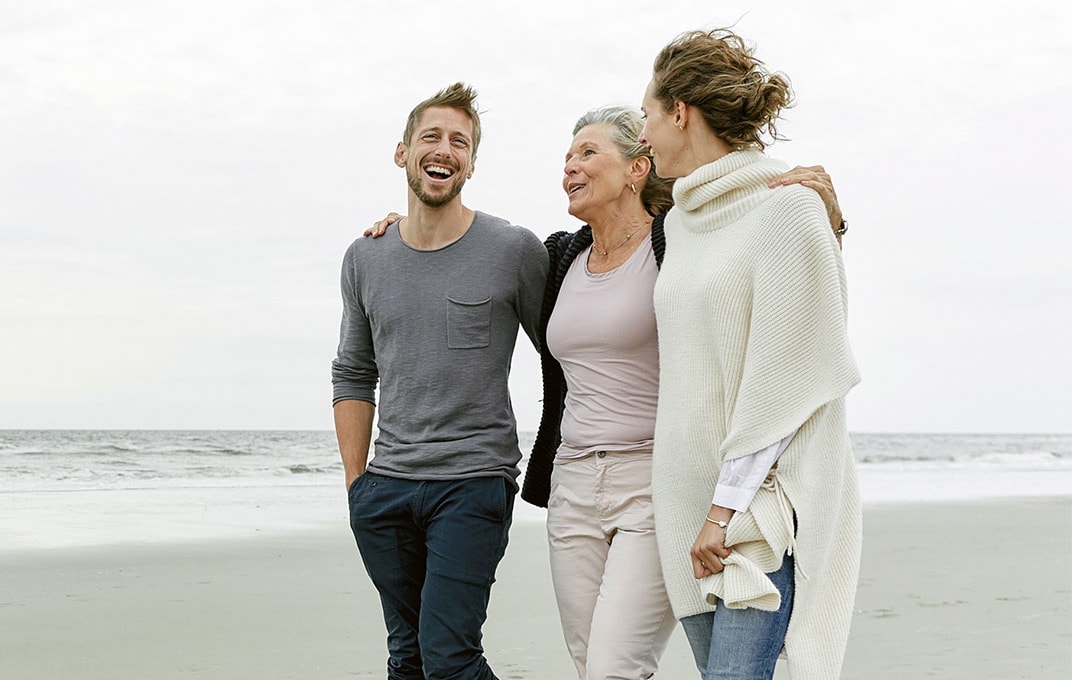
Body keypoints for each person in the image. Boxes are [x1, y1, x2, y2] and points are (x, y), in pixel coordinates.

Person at [366, 109, 843, 680]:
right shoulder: (558, 256)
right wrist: (408, 225)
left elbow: (765, 262)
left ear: (638, 167)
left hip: (653, 483)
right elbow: (465, 254)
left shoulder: (678, 243)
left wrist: (828, 221)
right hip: (571, 487)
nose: (570, 165)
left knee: (614, 667)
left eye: (588, 153)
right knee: (589, 662)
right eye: (568, 156)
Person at [640, 28, 861, 680]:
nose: (643, 135)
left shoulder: (788, 208)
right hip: (684, 502)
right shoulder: (680, 222)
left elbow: (789, 366)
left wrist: (724, 509)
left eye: (648, 116)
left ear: (680, 111)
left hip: (754, 509)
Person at [331, 82, 548, 680]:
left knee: (450, 659)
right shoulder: (365, 257)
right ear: (402, 152)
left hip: (473, 481)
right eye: (431, 136)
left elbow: (565, 352)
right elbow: (353, 371)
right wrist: (358, 487)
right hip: (386, 489)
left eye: (460, 141)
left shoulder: (512, 249)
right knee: (408, 658)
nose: (444, 149)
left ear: (472, 163)